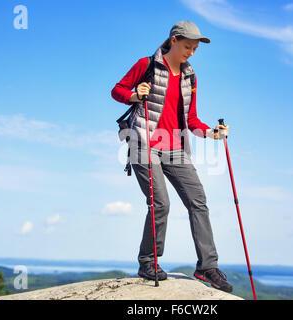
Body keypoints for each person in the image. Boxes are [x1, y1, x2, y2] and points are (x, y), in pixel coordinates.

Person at [111, 20, 232, 293]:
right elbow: (116, 90)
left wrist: (212, 133)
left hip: (175, 147)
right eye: (188, 46)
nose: (191, 51)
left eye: (195, 48)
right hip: (143, 142)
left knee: (198, 201)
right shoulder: (147, 65)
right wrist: (133, 95)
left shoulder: (190, 77)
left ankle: (207, 267)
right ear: (174, 40)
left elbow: (190, 119)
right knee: (161, 203)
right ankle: (148, 261)